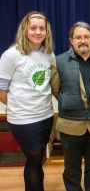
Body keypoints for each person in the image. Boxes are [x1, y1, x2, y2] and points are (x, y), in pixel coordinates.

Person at [50, 21, 90, 191]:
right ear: (71, 40)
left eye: (86, 37)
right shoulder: (58, 62)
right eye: (78, 37)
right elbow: (56, 90)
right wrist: (71, 102)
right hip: (70, 125)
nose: (82, 40)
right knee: (71, 168)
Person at [0, 11, 54, 191]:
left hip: (45, 116)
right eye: (33, 28)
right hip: (23, 119)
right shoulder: (11, 55)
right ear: (25, 30)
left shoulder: (49, 55)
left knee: (36, 160)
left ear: (47, 32)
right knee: (34, 157)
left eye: (41, 28)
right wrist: (15, 106)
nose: (37, 32)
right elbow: (1, 88)